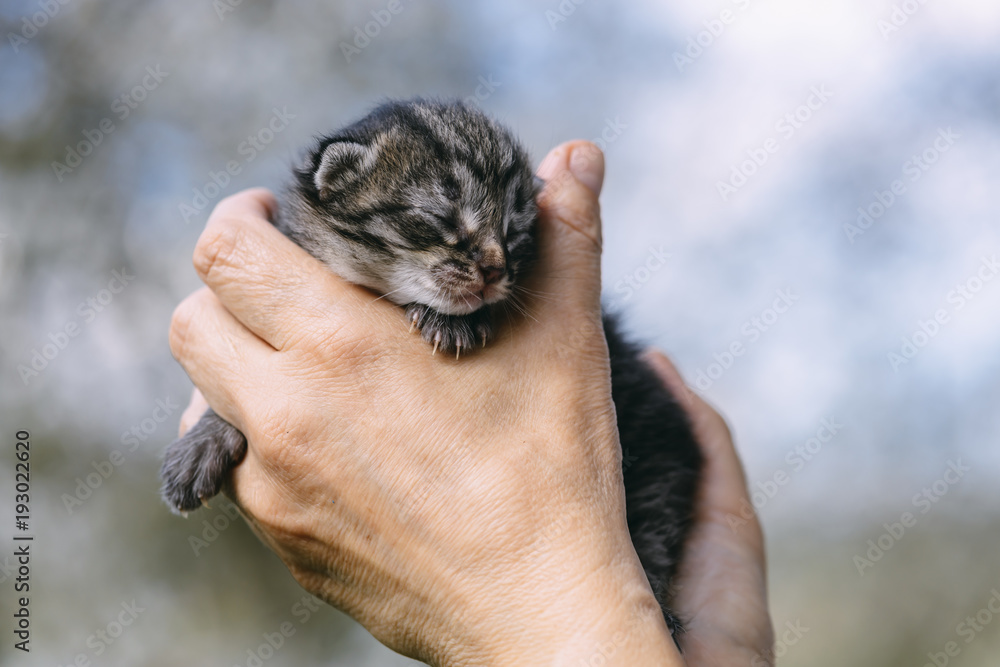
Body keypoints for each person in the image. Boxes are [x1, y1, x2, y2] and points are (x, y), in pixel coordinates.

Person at [169, 141, 775, 665]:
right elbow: (291, 384)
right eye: (443, 224)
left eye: (511, 236)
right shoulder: (300, 268)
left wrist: (597, 623)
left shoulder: (511, 308)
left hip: (633, 485)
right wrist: (229, 416)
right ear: (339, 185)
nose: (492, 265)